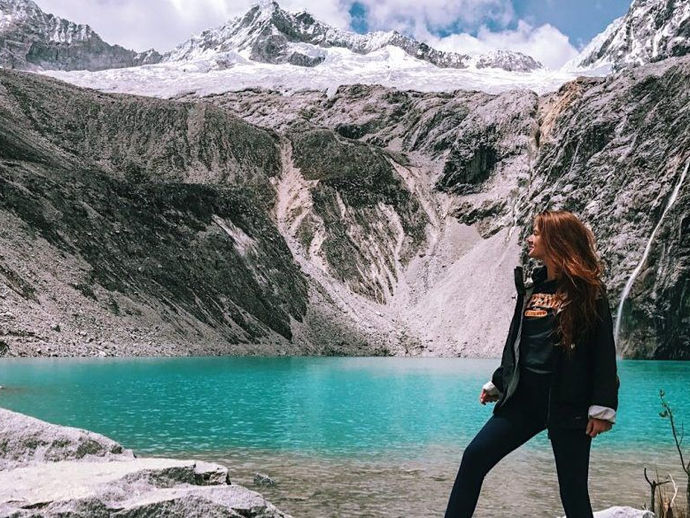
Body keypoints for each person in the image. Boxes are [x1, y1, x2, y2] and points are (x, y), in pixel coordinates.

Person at [444, 210, 619, 518]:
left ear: (555, 240)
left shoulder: (588, 291)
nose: (530, 238)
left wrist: (603, 407)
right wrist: (500, 382)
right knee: (474, 458)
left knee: (573, 491)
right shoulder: (532, 288)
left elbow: (603, 352)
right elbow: (520, 343)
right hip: (524, 400)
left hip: (568, 404)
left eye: (536, 233)